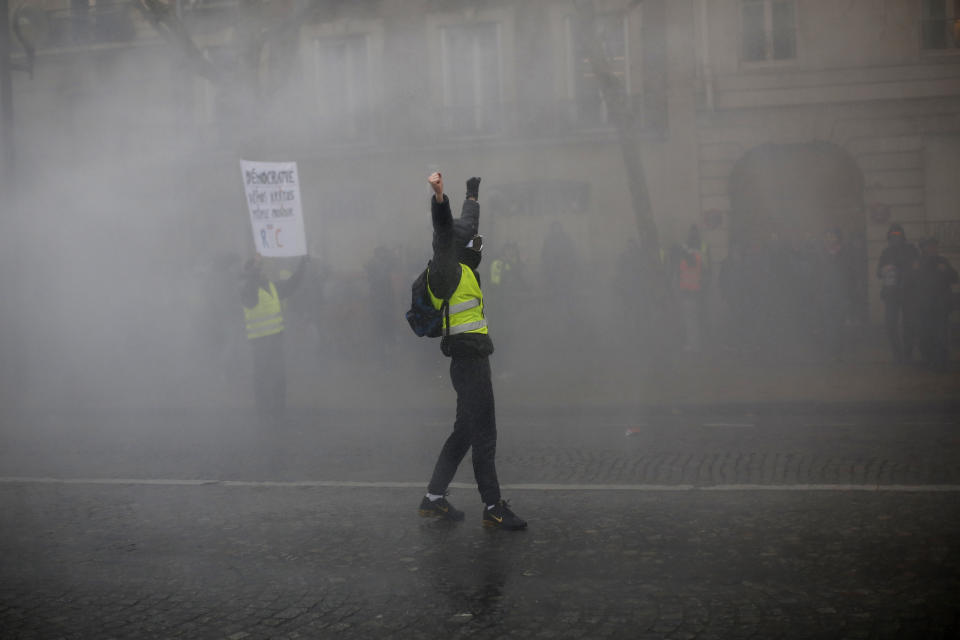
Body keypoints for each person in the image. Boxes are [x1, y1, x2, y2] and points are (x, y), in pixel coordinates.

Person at [417, 171, 527, 531]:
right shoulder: (445, 269)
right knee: (484, 435)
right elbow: (445, 229)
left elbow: (472, 238)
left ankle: (433, 499)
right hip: (468, 362)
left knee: (464, 432)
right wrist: (440, 198)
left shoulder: (465, 266)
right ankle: (493, 507)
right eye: (463, 240)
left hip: (472, 359)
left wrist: (473, 197)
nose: (470, 244)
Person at [241, 252, 308, 425]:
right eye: (259, 270)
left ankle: (279, 410)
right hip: (260, 341)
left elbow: (292, 284)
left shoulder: (271, 286)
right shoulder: (247, 289)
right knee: (262, 377)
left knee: (279, 376)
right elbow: (250, 289)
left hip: (275, 339)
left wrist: (302, 264)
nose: (263, 271)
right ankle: (262, 411)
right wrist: (255, 266)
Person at [905, 237, 958, 370]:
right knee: (925, 335)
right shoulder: (917, 263)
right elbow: (908, 283)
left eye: (934, 246)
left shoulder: (942, 261)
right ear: (923, 248)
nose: (932, 249)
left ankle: (941, 362)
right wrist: (914, 271)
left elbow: (955, 278)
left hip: (940, 305)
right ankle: (929, 359)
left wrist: (946, 270)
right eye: (929, 246)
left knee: (941, 334)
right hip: (923, 306)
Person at [876, 223, 919, 363]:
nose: (896, 237)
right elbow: (879, 272)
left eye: (898, 234)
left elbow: (917, 267)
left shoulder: (911, 250)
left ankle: (908, 352)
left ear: (903, 236)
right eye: (893, 235)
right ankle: (897, 353)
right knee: (890, 324)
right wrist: (885, 269)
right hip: (891, 293)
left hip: (909, 292)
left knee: (910, 323)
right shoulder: (886, 252)